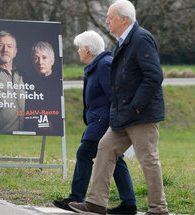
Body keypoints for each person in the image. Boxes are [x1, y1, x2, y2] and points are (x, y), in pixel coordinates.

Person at [69, 1, 168, 214]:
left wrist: (136, 108)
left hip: (141, 115)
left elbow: (154, 76)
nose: (106, 21)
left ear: (124, 19)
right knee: (104, 148)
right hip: (123, 116)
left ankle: (158, 209)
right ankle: (96, 203)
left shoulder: (141, 39)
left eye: (110, 17)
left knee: (148, 160)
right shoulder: (123, 42)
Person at [52, 31, 137, 214]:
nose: (77, 52)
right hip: (99, 121)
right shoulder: (97, 65)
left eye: (79, 48)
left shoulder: (104, 65)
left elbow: (115, 96)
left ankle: (76, 197)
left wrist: (116, 123)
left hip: (104, 122)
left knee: (84, 153)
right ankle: (129, 203)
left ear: (87, 49)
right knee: (115, 159)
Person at [23, 41, 63, 136]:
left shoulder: (60, 83)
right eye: (36, 58)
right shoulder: (27, 84)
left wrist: (54, 126)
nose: (40, 62)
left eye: (44, 58)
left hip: (56, 130)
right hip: (30, 131)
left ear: (52, 61)